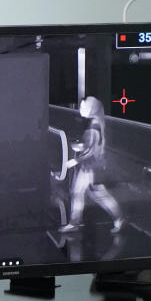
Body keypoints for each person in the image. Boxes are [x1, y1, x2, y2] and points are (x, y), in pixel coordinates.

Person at [60, 96, 125, 234]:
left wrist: (74, 161)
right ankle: (74, 223)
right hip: (89, 167)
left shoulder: (94, 127)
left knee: (99, 195)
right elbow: (92, 146)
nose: (80, 109)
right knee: (77, 192)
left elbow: (91, 151)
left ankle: (119, 218)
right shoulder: (97, 123)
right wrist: (82, 147)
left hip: (92, 168)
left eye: (84, 107)